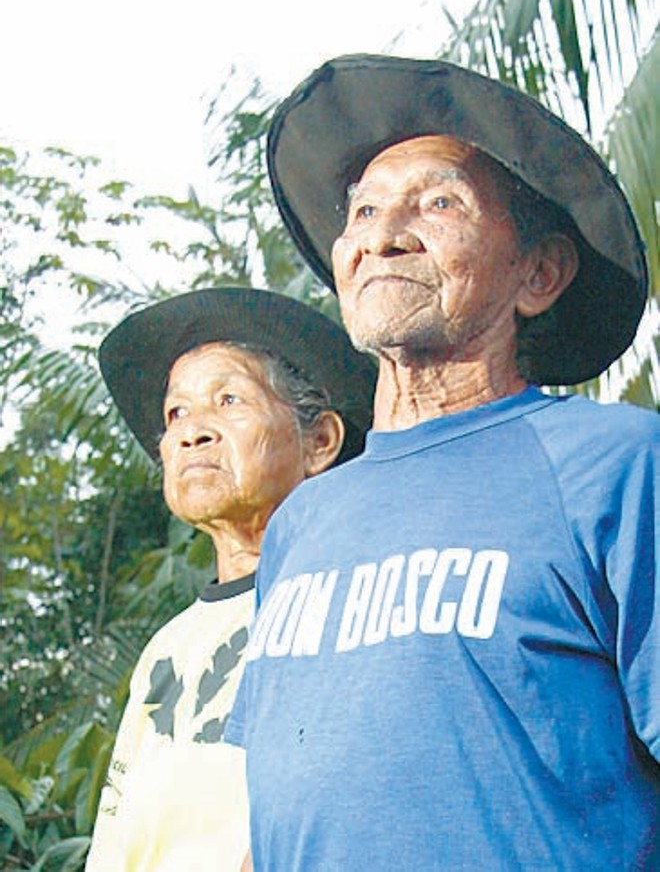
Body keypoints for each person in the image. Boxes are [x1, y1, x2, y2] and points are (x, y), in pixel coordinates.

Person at [225, 55, 660, 870]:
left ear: (538, 274)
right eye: (362, 211)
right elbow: (282, 802)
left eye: (439, 203)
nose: (382, 235)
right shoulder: (303, 522)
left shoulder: (621, 466)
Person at [84, 285, 375, 872]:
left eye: (229, 401)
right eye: (177, 413)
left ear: (319, 441)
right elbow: (115, 846)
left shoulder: (358, 610)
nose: (193, 431)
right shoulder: (167, 648)